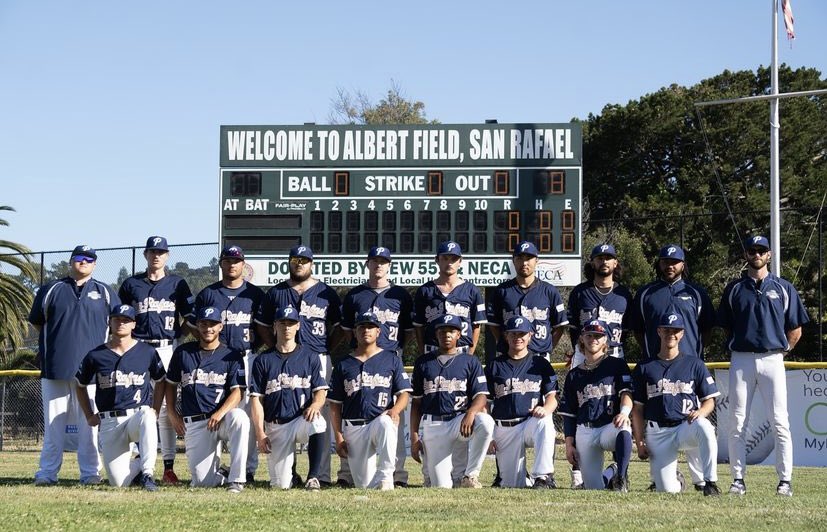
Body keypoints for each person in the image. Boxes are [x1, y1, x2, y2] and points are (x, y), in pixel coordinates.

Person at [718, 235, 809, 497]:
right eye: (752, 250)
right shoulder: (734, 289)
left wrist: (784, 350)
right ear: (745, 254)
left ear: (769, 255)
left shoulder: (783, 287)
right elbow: (725, 326)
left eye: (761, 250)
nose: (756, 254)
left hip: (772, 358)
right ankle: (737, 479)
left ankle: (785, 480)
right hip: (742, 359)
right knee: (737, 422)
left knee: (780, 421)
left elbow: (796, 329)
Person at [626, 243, 715, 490]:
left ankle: (702, 480)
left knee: (694, 420)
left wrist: (693, 356)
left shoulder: (696, 293)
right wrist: (652, 353)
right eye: (665, 261)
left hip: (688, 367)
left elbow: (706, 329)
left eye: (675, 261)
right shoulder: (646, 293)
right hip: (655, 366)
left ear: (683, 264)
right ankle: (662, 477)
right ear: (659, 263)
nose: (670, 266)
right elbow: (638, 330)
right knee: (658, 418)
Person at [29, 244, 120, 486]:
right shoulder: (51, 289)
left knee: (89, 424)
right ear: (71, 261)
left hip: (91, 372)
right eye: (79, 257)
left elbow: (118, 326)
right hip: (55, 368)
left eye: (89, 259)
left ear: (95, 264)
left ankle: (90, 474)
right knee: (53, 425)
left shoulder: (105, 292)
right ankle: (47, 474)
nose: (83, 261)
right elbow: (38, 323)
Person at [255, 244, 343, 486]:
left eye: (304, 260)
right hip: (283, 358)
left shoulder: (326, 293)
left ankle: (320, 475)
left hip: (316, 357)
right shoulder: (276, 293)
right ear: (289, 261)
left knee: (318, 416)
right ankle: (290, 472)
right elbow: (262, 324)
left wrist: (325, 349)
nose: (300, 263)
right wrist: (275, 347)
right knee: (285, 410)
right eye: (296, 259)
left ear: (311, 263)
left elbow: (339, 328)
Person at [118, 235, 193, 484]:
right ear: (145, 255)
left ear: (167, 256)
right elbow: (120, 318)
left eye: (160, 252)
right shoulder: (131, 285)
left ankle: (168, 467)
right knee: (135, 404)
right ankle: (137, 463)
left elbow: (189, 318)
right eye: (152, 251)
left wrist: (177, 338)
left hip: (165, 347)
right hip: (137, 347)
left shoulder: (177, 284)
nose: (156, 255)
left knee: (163, 411)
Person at [340, 246, 414, 487]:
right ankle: (346, 474)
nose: (379, 265)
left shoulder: (401, 296)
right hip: (359, 358)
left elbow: (409, 332)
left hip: (390, 356)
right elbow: (346, 331)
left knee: (393, 417)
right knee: (351, 408)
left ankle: (397, 475)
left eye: (383, 261)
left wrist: (393, 353)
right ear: (367, 264)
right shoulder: (354, 296)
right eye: (375, 261)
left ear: (389, 265)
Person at [191, 244, 264, 484]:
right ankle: (217, 465)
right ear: (220, 264)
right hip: (217, 358)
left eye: (237, 260)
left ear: (244, 265)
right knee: (217, 408)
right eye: (228, 260)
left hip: (246, 355)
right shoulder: (208, 294)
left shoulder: (255, 295)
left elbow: (263, 329)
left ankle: (247, 469)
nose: (232, 264)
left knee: (246, 414)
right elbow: (196, 325)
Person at [75, 305, 166, 491]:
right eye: (117, 319)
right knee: (118, 483)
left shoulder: (146, 351)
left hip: (136, 416)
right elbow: (80, 385)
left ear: (134, 324)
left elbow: (161, 380)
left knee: (148, 415)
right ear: (109, 322)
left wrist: (155, 408)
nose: (121, 323)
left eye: (126, 320)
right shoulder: (96, 355)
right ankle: (139, 466)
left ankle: (148, 473)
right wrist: (89, 415)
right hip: (109, 421)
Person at [630, 313, 721, 496]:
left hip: (684, 426)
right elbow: (638, 409)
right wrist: (640, 442)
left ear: (682, 334)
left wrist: (702, 411)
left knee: (704, 426)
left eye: (675, 330)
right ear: (659, 331)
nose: (671, 333)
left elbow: (709, 401)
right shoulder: (645, 366)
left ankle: (710, 482)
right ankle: (677, 480)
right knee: (667, 490)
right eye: (667, 329)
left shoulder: (694, 364)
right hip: (658, 432)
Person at [565, 243, 632, 489]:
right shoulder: (580, 292)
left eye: (609, 257)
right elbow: (572, 328)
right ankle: (578, 475)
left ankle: (620, 470)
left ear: (616, 263)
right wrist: (583, 351)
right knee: (581, 402)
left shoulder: (624, 294)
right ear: (591, 262)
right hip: (584, 353)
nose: (604, 261)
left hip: (614, 352)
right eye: (599, 257)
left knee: (615, 404)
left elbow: (627, 330)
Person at [166, 306, 250, 492]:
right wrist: (172, 413)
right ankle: (222, 473)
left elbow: (238, 392)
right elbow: (170, 385)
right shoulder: (183, 352)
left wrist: (220, 414)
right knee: (203, 482)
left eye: (213, 324)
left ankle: (237, 479)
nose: (208, 328)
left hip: (222, 419)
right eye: (203, 323)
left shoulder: (231, 355)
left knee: (240, 418)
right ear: (197, 326)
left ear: (221, 326)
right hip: (196, 422)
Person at [328, 312, 412, 490]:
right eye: (361, 327)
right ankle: (377, 480)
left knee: (386, 421)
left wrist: (396, 410)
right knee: (364, 485)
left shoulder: (391, 359)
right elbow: (335, 405)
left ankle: (386, 474)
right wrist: (338, 436)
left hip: (378, 422)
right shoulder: (343, 364)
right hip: (354, 427)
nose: (366, 330)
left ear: (378, 332)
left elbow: (404, 393)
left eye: (370, 327)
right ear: (355, 332)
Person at [248, 306, 328, 490]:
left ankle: (313, 477)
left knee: (319, 422)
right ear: (274, 326)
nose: (287, 327)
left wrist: (316, 404)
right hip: (276, 425)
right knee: (280, 485)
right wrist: (260, 433)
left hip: (300, 419)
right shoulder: (263, 360)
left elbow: (320, 390)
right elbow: (256, 400)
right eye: (282, 323)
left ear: (298, 326)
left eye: (291, 323)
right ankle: (292, 475)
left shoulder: (310, 357)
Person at [409, 314, 494, 489]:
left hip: (460, 421)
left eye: (451, 331)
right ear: (436, 334)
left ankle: (470, 476)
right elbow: (417, 403)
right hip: (434, 424)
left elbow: (481, 395)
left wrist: (471, 412)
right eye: (442, 331)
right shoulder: (423, 362)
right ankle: (433, 475)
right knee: (441, 487)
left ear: (458, 334)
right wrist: (415, 437)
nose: (446, 334)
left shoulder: (470, 361)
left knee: (485, 421)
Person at [559, 319, 633, 491]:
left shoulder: (616, 365)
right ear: (582, 339)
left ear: (605, 340)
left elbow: (626, 393)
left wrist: (624, 412)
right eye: (589, 335)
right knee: (594, 488)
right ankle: (611, 472)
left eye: (598, 335)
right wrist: (569, 444)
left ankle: (621, 477)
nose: (594, 339)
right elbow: (569, 414)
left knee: (624, 429)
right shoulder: (574, 374)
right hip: (585, 430)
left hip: (609, 426)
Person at [485, 316, 558, 488]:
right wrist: (489, 434)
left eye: (522, 333)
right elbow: (484, 404)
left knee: (545, 422)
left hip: (529, 423)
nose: (518, 337)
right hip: (504, 427)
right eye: (513, 333)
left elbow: (552, 399)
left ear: (530, 335)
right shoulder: (494, 365)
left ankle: (543, 476)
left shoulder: (540, 363)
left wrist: (546, 408)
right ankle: (524, 478)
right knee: (510, 484)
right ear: (506, 336)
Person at [487, 240, 568, 361]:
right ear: (513, 261)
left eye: (529, 258)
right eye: (520, 258)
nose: (524, 263)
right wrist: (504, 343)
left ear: (536, 261)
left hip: (539, 356)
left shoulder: (549, 291)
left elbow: (559, 325)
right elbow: (494, 324)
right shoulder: (502, 291)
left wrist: (548, 346)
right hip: (509, 356)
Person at [414, 240, 487, 355]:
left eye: (453, 259)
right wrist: (423, 351)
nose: (449, 263)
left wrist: (471, 353)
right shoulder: (425, 291)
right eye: (445, 258)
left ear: (460, 261)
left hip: (463, 350)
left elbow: (476, 325)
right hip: (432, 350)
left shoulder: (472, 290)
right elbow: (418, 326)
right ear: (437, 260)